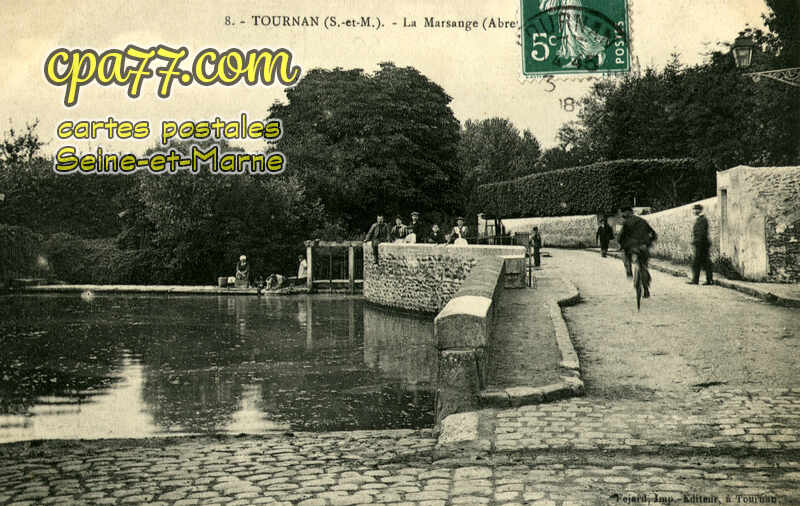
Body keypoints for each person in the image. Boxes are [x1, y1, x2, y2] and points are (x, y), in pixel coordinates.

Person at [617, 207, 658, 297]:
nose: (623, 215)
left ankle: (628, 270)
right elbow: (653, 234)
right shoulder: (643, 221)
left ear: (628, 213)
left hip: (632, 248)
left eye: (623, 213)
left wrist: (621, 244)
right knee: (644, 267)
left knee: (624, 254)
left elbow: (620, 237)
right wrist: (649, 243)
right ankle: (646, 289)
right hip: (643, 248)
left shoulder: (627, 223)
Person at [689, 204, 713, 285]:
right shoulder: (700, 219)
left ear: (699, 210)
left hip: (702, 244)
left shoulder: (703, 219)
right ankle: (704, 280)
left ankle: (699, 280)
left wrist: (697, 241)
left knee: (699, 263)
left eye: (695, 209)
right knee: (703, 263)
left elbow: (701, 233)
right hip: (701, 244)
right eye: (694, 209)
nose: (694, 211)